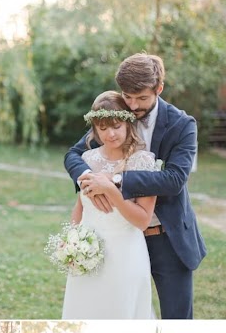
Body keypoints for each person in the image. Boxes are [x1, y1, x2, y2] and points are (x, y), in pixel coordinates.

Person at [65, 53, 206, 320]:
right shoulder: (117, 116)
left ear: (158, 89)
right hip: (119, 240)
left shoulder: (182, 125)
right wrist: (88, 176)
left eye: (141, 98)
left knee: (177, 320)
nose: (133, 105)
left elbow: (175, 180)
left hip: (167, 237)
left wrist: (113, 182)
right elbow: (73, 155)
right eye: (128, 96)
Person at [61, 91, 158, 320]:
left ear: (128, 123)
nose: (110, 134)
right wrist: (70, 243)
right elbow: (81, 206)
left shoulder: (143, 161)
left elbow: (143, 220)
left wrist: (113, 192)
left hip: (125, 256)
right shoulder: (87, 160)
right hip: (86, 255)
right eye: (102, 128)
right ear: (95, 129)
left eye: (116, 126)